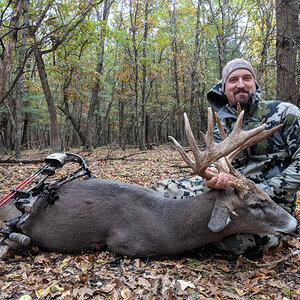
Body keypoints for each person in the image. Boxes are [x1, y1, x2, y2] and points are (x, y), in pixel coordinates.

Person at [153, 58, 300, 257]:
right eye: (233, 80)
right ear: (224, 88)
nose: (241, 84)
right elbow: (215, 168)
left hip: (269, 204)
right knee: (163, 191)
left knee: (232, 242)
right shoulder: (219, 125)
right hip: (228, 194)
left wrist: (261, 191)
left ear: (255, 84)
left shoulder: (285, 113)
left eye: (247, 78)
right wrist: (213, 179)